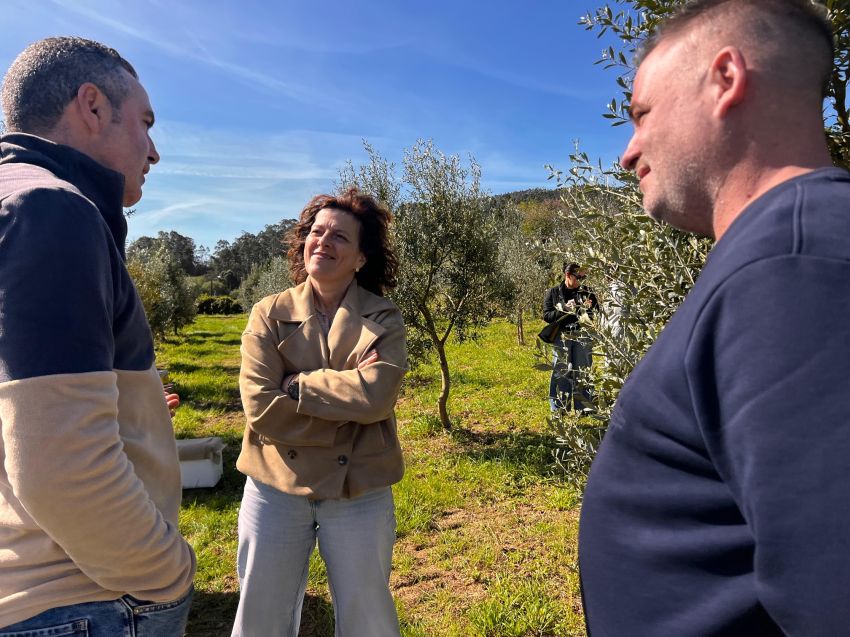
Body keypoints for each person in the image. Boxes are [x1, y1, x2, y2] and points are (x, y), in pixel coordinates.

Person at [578, 1, 850, 634]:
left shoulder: (794, 265)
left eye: (640, 115)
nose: (628, 153)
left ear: (724, 79)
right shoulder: (785, 249)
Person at [0, 38, 196, 635]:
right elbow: (62, 470)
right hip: (84, 597)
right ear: (91, 106)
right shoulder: (49, 211)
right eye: (144, 122)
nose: (154, 151)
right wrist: (166, 572)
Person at [231, 187, 407, 636]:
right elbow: (260, 407)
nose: (323, 241)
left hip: (359, 491)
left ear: (361, 258)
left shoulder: (383, 318)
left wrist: (296, 385)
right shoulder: (268, 314)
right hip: (275, 489)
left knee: (369, 617)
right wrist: (344, 406)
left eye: (339, 237)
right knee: (260, 616)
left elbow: (376, 397)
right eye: (316, 231)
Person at [542, 263, 598, 411]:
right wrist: (564, 309)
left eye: (583, 277)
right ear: (568, 276)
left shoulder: (587, 292)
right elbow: (547, 316)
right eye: (579, 277)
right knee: (561, 371)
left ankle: (585, 407)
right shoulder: (554, 292)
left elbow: (595, 312)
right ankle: (560, 408)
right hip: (562, 336)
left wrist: (587, 309)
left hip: (582, 335)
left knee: (583, 370)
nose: (582, 280)